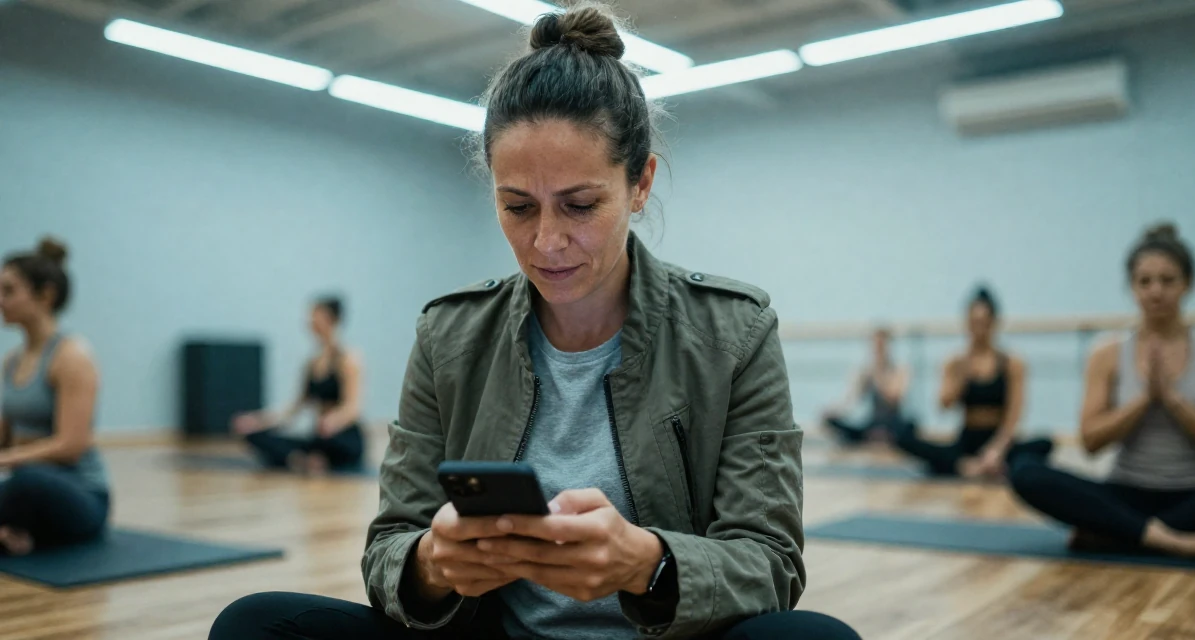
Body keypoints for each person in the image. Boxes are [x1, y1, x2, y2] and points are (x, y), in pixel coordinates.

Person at [209, 4, 860, 640]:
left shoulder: (734, 333)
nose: (547, 242)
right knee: (253, 623)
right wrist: (433, 564)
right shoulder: (448, 335)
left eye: (579, 205)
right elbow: (388, 549)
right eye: (518, 206)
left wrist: (649, 563)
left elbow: (772, 564)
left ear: (640, 184)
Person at [1010, 224, 1195, 556]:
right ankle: (1164, 540)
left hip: (1192, 495)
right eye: (1145, 281)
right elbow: (1091, 442)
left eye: (1168, 280)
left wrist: (1172, 399)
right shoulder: (1107, 354)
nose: (1156, 291)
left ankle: (1117, 533)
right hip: (1124, 492)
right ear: (1132, 287)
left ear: (1187, 284)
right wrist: (1144, 400)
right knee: (1025, 471)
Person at [0, 238, 110, 555]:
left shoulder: (72, 357)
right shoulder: (11, 361)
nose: (1, 300)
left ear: (45, 295)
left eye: (9, 291)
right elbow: (5, 434)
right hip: (24, 489)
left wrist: (5, 460)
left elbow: (70, 447)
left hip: (79, 495)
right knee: (21, 481)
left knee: (27, 480)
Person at [895, 287, 1053, 478]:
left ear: (994, 322)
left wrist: (996, 451)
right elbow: (944, 405)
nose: (979, 329)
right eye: (974, 322)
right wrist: (963, 372)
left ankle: (982, 466)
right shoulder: (955, 361)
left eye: (984, 323)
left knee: (1046, 444)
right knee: (904, 438)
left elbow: (1014, 416)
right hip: (967, 440)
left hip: (999, 439)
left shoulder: (1012, 363)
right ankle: (966, 466)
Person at [231, 297, 365, 475]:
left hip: (341, 437)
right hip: (318, 437)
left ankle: (308, 459)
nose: (311, 321)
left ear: (332, 319)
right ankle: (305, 460)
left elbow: (352, 407)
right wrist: (257, 421)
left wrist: (333, 421)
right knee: (256, 436)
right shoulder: (311, 363)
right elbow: (293, 409)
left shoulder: (349, 359)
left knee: (326, 443)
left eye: (316, 315)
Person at [821, 327, 910, 445]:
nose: (877, 349)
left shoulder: (900, 370)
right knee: (834, 423)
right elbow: (851, 399)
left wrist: (879, 373)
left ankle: (881, 436)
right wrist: (834, 411)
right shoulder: (866, 371)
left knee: (909, 429)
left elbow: (894, 399)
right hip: (873, 423)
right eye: (875, 345)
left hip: (893, 424)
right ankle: (873, 435)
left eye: (881, 345)